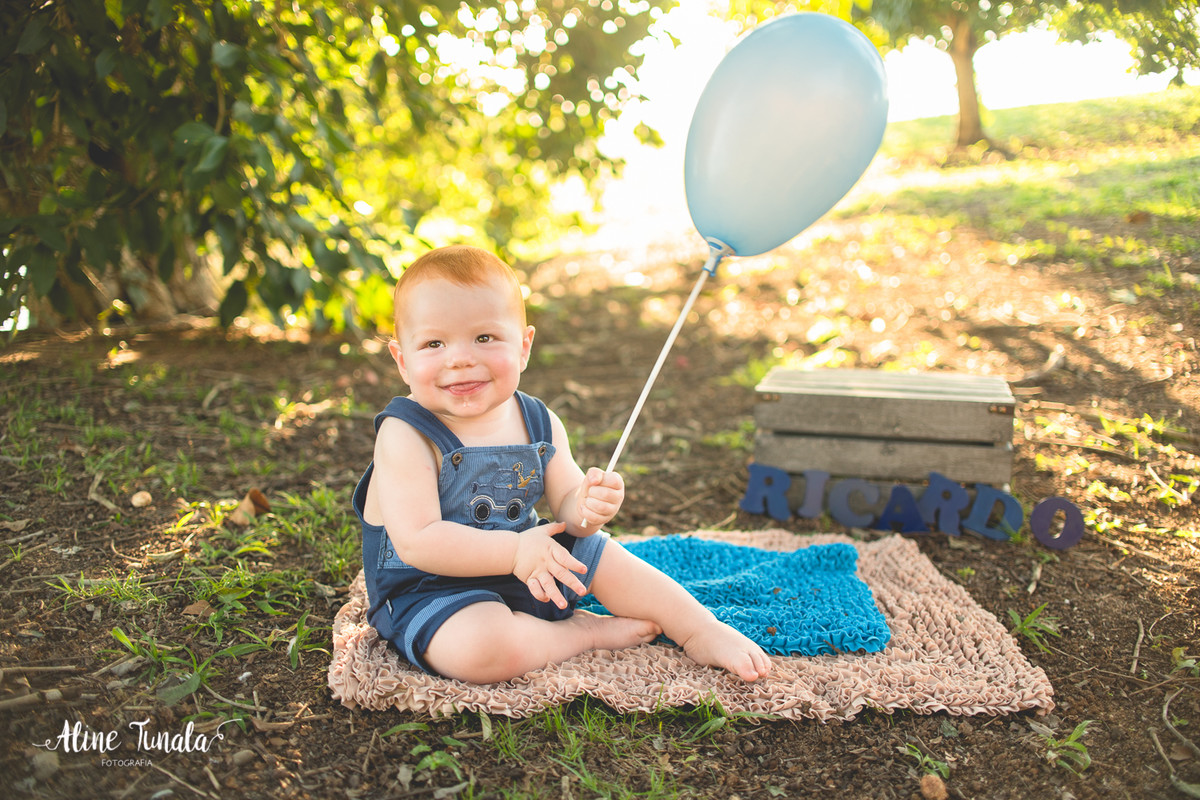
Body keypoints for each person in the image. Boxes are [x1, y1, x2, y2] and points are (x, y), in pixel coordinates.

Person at [353, 245, 773, 684]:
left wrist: (588, 505)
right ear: (403, 360)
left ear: (524, 347)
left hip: (530, 565)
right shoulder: (406, 434)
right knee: (478, 649)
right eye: (434, 343)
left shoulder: (538, 420)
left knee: (603, 555)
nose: (460, 358)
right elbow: (419, 541)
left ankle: (698, 627)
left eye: (484, 338)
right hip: (431, 589)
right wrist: (515, 551)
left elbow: (570, 512)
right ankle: (580, 633)